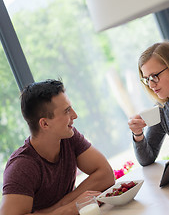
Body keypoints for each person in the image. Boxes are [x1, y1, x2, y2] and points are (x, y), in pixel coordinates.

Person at [0, 79, 115, 215]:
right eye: (67, 111)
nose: (75, 115)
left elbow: (106, 174)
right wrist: (69, 208)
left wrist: (64, 204)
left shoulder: (68, 137)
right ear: (45, 124)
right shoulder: (21, 167)